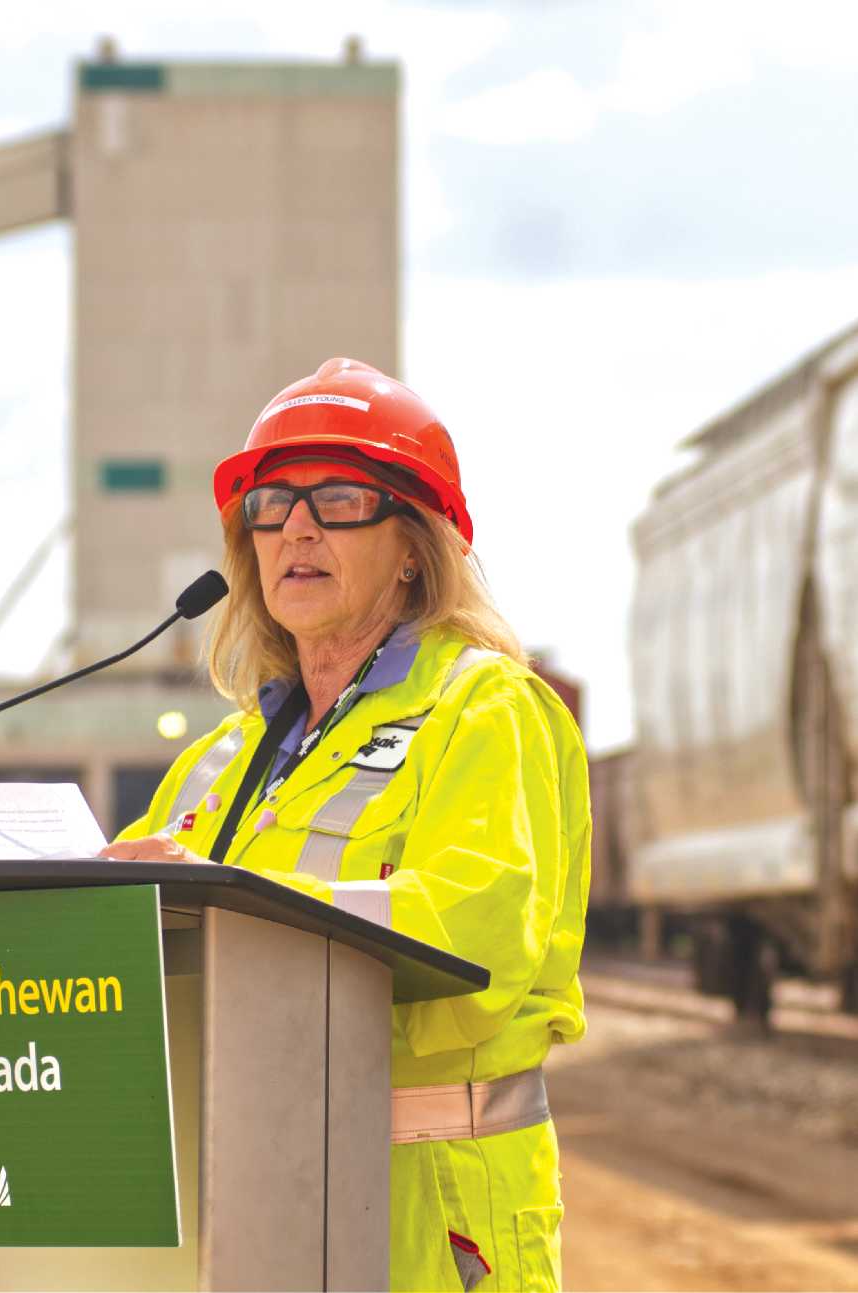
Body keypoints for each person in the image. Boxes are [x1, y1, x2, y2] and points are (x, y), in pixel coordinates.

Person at [102, 357, 589, 1292]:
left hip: (429, 1218)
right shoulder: (224, 756)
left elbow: (474, 940)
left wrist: (226, 903)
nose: (297, 528)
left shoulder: (484, 710)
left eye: (338, 498)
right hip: (250, 1202)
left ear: (414, 542)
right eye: (273, 504)